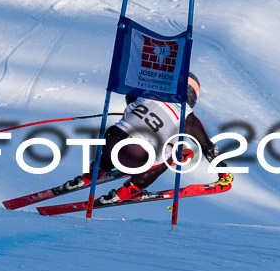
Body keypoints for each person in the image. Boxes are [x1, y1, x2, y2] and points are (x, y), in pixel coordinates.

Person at [64, 73, 232, 204]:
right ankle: (131, 189)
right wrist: (224, 172)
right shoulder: (189, 118)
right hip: (136, 156)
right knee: (177, 152)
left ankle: (96, 172)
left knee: (121, 129)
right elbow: (208, 147)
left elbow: (130, 97)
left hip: (110, 143)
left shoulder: (151, 91)